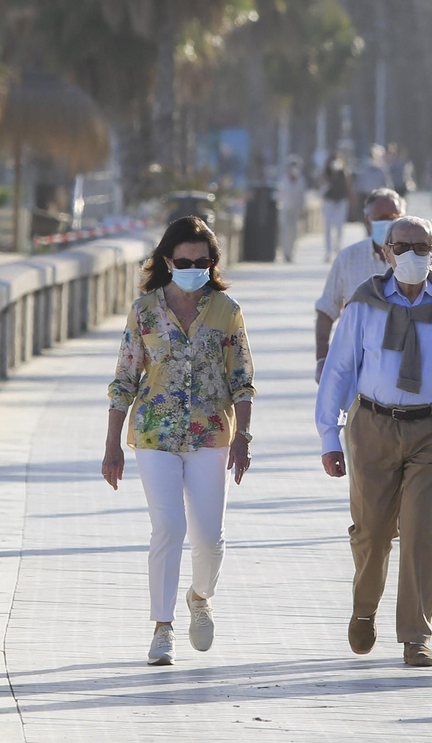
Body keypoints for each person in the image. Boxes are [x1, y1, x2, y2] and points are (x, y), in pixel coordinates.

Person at [316, 215, 432, 668]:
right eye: (403, 246)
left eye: (422, 247)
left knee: (422, 531)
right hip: (373, 425)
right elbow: (339, 369)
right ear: (387, 253)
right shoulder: (365, 302)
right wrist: (329, 435)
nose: (412, 254)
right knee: (372, 531)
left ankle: (415, 635)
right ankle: (364, 608)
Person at [101, 216, 255, 667]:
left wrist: (244, 437)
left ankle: (200, 596)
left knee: (209, 538)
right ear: (168, 261)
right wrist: (112, 445)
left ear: (212, 263)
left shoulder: (227, 310)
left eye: (201, 261)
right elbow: (124, 379)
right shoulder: (144, 311)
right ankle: (162, 627)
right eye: (184, 261)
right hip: (155, 432)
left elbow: (242, 378)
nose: (193, 268)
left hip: (211, 433)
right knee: (168, 527)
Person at [315, 189, 405, 383]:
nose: (386, 224)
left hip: (402, 363)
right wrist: (322, 360)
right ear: (368, 221)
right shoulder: (348, 258)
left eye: (392, 218)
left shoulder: (413, 259)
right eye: (380, 218)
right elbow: (326, 310)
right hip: (355, 362)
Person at [277, 156, 307, 263]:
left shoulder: (300, 180)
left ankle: (291, 252)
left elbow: (302, 196)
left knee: (293, 232)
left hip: (295, 210)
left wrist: (303, 208)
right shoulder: (283, 179)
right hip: (285, 208)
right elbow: (279, 194)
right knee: (285, 231)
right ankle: (285, 252)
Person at [321, 154, 351, 261]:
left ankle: (337, 247)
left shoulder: (344, 174)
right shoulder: (326, 174)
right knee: (328, 227)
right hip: (329, 202)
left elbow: (348, 188)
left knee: (339, 226)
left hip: (341, 202)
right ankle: (328, 251)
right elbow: (320, 186)